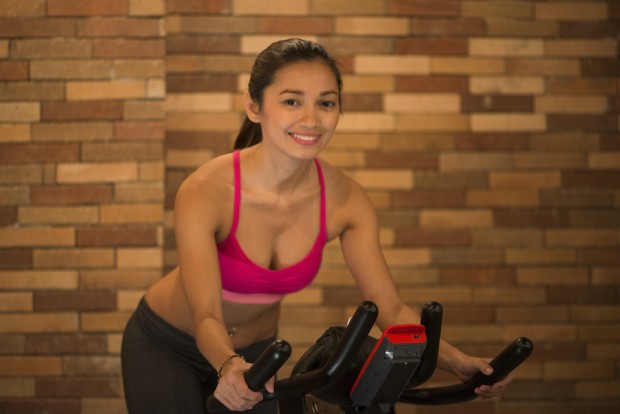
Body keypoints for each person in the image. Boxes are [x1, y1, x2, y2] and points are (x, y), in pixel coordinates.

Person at [121, 38, 511, 414]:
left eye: (326, 102)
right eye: (291, 101)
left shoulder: (347, 199)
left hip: (257, 356)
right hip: (168, 344)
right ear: (254, 107)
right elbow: (206, 313)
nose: (311, 119)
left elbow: (390, 307)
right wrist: (227, 365)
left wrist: (458, 362)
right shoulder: (207, 190)